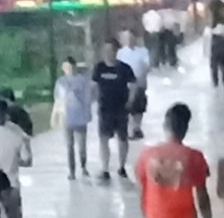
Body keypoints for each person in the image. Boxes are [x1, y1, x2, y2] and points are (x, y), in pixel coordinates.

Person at [91, 38, 136, 180]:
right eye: (106, 50)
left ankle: (122, 167)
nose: (108, 53)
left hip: (121, 108)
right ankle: (105, 169)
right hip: (105, 109)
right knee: (103, 139)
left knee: (122, 138)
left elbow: (133, 85)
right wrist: (94, 101)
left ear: (117, 51)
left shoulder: (124, 68)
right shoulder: (99, 68)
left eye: (111, 50)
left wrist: (130, 101)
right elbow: (94, 86)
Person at [52, 56, 94, 178]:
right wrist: (56, 114)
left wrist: (88, 112)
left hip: (80, 116)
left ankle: (83, 166)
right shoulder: (60, 82)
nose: (68, 69)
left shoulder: (82, 80)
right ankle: (72, 171)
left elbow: (88, 97)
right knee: (69, 145)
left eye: (69, 66)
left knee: (81, 145)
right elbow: (58, 99)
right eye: (65, 67)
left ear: (74, 67)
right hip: (66, 116)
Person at [119, 27, 152, 138]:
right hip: (125, 84)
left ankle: (137, 128)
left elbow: (147, 66)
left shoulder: (143, 51)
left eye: (131, 38)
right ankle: (128, 129)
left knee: (138, 107)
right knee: (126, 107)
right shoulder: (121, 53)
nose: (129, 40)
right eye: (127, 38)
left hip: (139, 83)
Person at [207, 0, 224, 88]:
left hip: (215, 47)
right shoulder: (223, 23)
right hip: (221, 47)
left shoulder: (212, 23)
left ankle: (216, 85)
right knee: (223, 68)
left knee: (215, 68)